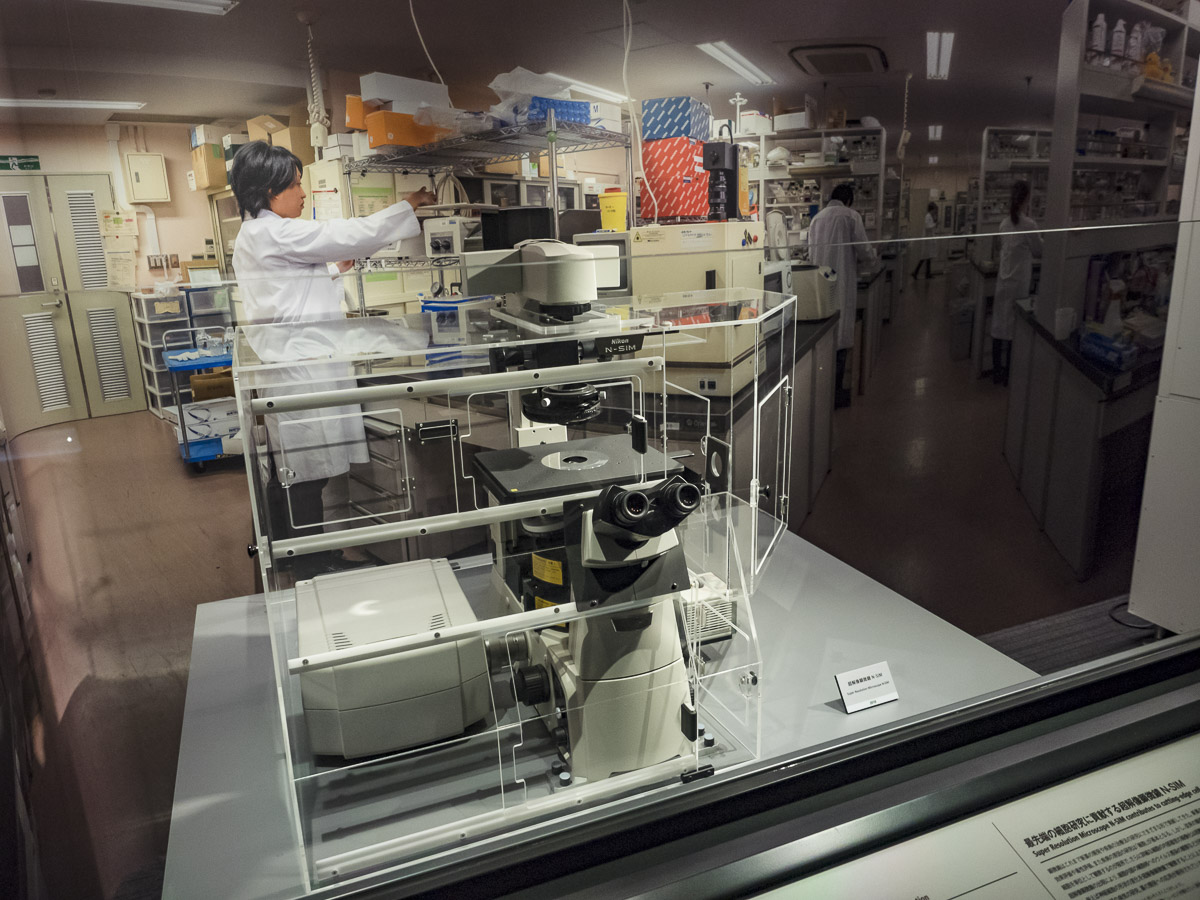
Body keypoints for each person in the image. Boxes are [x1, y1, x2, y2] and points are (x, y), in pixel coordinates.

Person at [229, 140, 436, 577]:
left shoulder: (257, 234)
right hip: (300, 369)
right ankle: (305, 562)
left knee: (300, 471)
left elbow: (291, 283)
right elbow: (345, 234)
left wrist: (333, 268)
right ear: (270, 191)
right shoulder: (275, 232)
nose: (303, 193)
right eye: (295, 184)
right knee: (304, 474)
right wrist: (407, 206)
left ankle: (298, 554)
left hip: (295, 363)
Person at [807, 183, 878, 408]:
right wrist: (873, 261)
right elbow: (864, 250)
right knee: (841, 339)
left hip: (820, 284)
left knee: (825, 337)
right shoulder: (850, 216)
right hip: (843, 283)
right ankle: (836, 392)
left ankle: (822, 392)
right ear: (848, 200)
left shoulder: (817, 219)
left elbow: (810, 252)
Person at [991, 180, 1042, 386]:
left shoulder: (1004, 224)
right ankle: (1009, 376)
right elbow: (1039, 251)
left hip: (1003, 282)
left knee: (999, 326)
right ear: (1027, 198)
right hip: (1019, 283)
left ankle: (997, 372)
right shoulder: (1029, 224)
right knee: (1014, 329)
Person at [911, 202, 938, 279]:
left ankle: (926, 273)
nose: (935, 212)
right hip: (927, 240)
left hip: (929, 239)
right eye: (934, 210)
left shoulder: (930, 216)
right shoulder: (928, 216)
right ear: (932, 209)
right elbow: (928, 227)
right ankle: (917, 272)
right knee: (925, 257)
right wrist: (935, 224)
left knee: (927, 257)